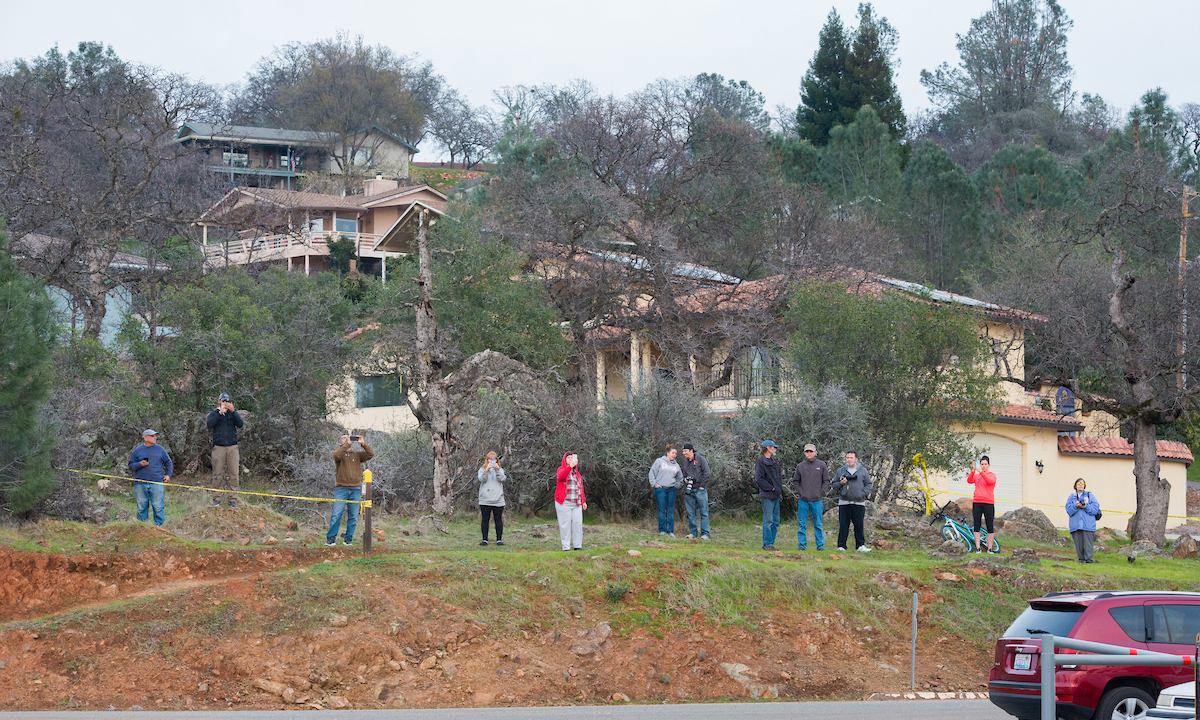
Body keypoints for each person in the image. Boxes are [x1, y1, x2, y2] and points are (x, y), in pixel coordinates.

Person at [328, 434, 373, 547]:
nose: (347, 439)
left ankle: (348, 539)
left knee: (353, 516)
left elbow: (370, 454)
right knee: (336, 515)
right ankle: (331, 539)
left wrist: (363, 443)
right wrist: (347, 444)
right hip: (341, 489)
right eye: (344, 438)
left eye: (348, 438)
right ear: (340, 443)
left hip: (355, 489)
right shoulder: (338, 454)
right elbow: (335, 455)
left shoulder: (357, 455)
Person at [128, 429, 173, 527]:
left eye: (155, 436)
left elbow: (168, 462)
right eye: (152, 436)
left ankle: (159, 528)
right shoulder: (137, 450)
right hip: (140, 483)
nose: (155, 438)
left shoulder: (160, 449)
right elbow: (131, 466)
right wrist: (139, 464)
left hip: (157, 482)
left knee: (158, 507)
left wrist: (168, 475)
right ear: (145, 438)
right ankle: (142, 528)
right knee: (141, 507)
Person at [206, 392, 244, 508]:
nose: (225, 403)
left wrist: (233, 411)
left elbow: (240, 424)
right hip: (219, 447)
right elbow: (209, 424)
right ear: (219, 402)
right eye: (223, 401)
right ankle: (217, 498)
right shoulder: (214, 413)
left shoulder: (232, 414)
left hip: (232, 447)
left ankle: (233, 499)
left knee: (234, 474)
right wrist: (219, 413)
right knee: (217, 473)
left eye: (227, 401)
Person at [793, 443, 830, 551]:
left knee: (818, 524)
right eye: (807, 451)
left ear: (815, 452)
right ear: (804, 453)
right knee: (802, 524)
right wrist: (801, 492)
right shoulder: (800, 466)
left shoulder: (822, 465)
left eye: (811, 451)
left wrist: (821, 492)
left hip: (817, 500)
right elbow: (796, 481)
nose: (809, 453)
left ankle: (820, 545)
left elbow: (826, 481)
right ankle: (802, 545)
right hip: (803, 500)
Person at [833, 450, 872, 552]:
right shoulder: (841, 471)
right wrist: (841, 483)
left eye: (851, 458)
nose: (849, 460)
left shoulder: (863, 471)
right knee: (843, 525)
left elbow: (869, 484)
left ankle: (860, 545)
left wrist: (862, 494)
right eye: (847, 458)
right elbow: (834, 485)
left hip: (859, 503)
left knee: (859, 525)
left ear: (856, 459)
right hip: (844, 502)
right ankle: (841, 546)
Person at [967, 455, 1000, 554]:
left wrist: (981, 472)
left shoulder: (992, 475)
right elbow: (969, 480)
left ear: (988, 465)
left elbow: (990, 481)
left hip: (988, 503)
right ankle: (978, 547)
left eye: (985, 464)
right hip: (977, 502)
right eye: (982, 464)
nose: (983, 466)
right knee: (976, 525)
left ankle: (989, 548)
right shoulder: (977, 475)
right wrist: (973, 470)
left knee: (990, 525)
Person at [649, 444, 684, 537]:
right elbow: (652, 473)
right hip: (661, 489)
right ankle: (662, 530)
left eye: (675, 453)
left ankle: (670, 531)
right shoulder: (659, 461)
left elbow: (680, 478)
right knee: (662, 510)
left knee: (670, 510)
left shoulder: (676, 465)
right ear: (668, 453)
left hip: (671, 490)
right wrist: (655, 484)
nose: (674, 455)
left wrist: (677, 485)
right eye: (673, 453)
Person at [555, 451, 587, 551]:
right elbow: (561, 477)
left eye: (572, 457)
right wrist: (570, 467)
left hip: (576, 504)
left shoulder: (577, 475)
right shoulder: (561, 469)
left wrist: (583, 501)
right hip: (564, 503)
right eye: (568, 458)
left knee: (577, 524)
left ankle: (577, 546)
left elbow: (580, 488)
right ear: (565, 460)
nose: (570, 459)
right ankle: (566, 547)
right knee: (565, 525)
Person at [754, 441, 783, 551]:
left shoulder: (774, 461)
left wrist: (778, 489)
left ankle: (771, 543)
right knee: (768, 520)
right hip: (767, 495)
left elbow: (778, 477)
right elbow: (759, 479)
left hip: (776, 495)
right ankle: (767, 544)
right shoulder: (760, 461)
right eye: (773, 447)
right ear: (767, 448)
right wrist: (771, 488)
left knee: (776, 521)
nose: (775, 449)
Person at [679, 443, 711, 540]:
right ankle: (693, 532)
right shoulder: (685, 462)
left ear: (691, 451)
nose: (684, 453)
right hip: (689, 490)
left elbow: (707, 473)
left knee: (704, 512)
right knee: (691, 513)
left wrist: (702, 486)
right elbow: (684, 474)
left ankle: (705, 533)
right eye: (683, 451)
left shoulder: (700, 459)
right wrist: (685, 480)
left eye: (685, 451)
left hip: (700, 490)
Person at [1066, 478, 1101, 564]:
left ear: (1085, 486)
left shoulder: (1090, 495)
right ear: (1075, 486)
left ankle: (1088, 560)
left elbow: (1095, 509)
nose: (1080, 485)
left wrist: (1086, 506)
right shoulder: (1072, 497)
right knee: (1078, 544)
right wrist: (1075, 506)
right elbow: (1069, 510)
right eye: (1079, 484)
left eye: (1082, 484)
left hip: (1088, 524)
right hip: (1076, 525)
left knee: (1088, 544)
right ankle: (1081, 560)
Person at [478, 452, 506, 547]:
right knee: (485, 519)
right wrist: (487, 469)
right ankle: (485, 539)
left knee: (498, 519)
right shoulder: (482, 470)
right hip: (485, 500)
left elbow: (502, 479)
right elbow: (482, 479)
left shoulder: (500, 470)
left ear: (497, 460)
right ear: (487, 460)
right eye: (490, 459)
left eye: (494, 459)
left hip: (498, 500)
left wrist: (497, 470)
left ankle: (499, 539)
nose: (492, 461)